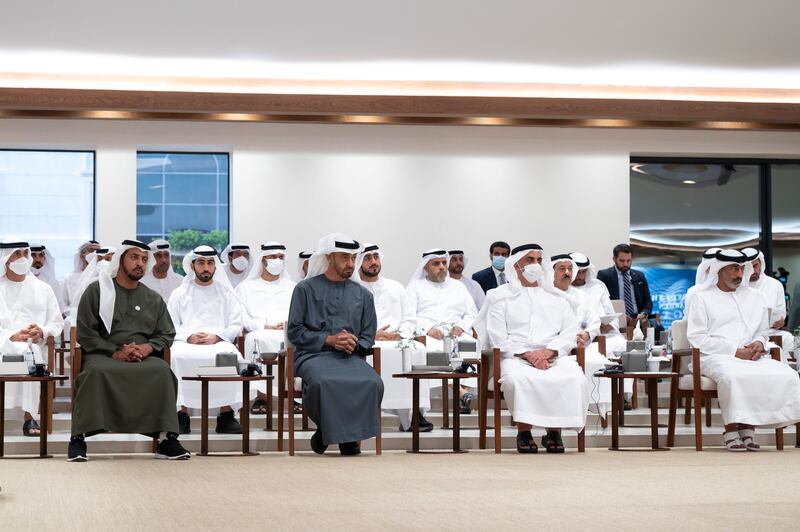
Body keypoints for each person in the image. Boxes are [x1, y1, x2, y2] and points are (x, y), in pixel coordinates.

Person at [70, 239, 189, 462]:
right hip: (102, 354)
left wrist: (147, 347)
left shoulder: (152, 298)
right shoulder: (96, 291)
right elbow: (85, 333)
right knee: (95, 372)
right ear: (121, 260)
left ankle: (167, 440)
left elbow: (167, 333)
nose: (140, 264)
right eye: (134, 258)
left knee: (162, 371)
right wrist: (114, 350)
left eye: (144, 259)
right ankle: (78, 440)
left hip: (142, 356)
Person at [686, 249, 800, 451]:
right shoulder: (701, 298)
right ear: (720, 271)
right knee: (734, 376)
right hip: (715, 355)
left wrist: (759, 343)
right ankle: (731, 430)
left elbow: (762, 330)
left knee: (787, 374)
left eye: (742, 269)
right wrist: (735, 351)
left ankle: (749, 429)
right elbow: (697, 338)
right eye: (734, 269)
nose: (740, 275)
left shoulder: (754, 297)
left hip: (752, 355)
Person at [287, 233, 383, 456]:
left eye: (352, 258)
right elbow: (295, 331)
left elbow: (368, 335)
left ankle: (330, 434)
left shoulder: (363, 294)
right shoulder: (304, 289)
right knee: (323, 382)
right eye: (344, 258)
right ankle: (340, 435)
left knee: (373, 382)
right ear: (329, 258)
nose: (350, 264)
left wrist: (355, 344)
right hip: (312, 355)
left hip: (350, 356)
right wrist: (328, 339)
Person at [485, 244, 587, 453]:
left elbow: (569, 332)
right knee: (516, 380)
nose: (535, 265)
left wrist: (548, 352)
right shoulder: (499, 297)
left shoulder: (558, 297)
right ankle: (524, 432)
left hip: (553, 355)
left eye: (538, 260)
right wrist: (530, 355)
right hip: (515, 356)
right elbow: (497, 337)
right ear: (516, 265)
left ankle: (554, 432)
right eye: (529, 260)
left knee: (573, 378)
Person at [167, 245, 245, 435]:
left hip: (218, 341)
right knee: (176, 356)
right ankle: (181, 413)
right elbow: (169, 325)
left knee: (231, 355)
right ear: (192, 265)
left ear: (215, 267)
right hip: (186, 342)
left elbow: (236, 324)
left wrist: (217, 337)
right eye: (201, 263)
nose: (206, 267)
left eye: (210, 263)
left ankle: (226, 415)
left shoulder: (226, 293)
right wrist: (188, 337)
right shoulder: (179, 293)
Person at [354, 243, 431, 432]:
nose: (373, 261)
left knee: (418, 349)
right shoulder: (352, 288)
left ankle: (414, 415)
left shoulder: (395, 287)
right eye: (368, 257)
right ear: (359, 262)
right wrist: (372, 335)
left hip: (397, 340)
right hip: (366, 341)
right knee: (381, 353)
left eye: (376, 257)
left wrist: (400, 334)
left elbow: (409, 318)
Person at [401, 249, 478, 413]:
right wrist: (427, 329)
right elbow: (409, 317)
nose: (442, 267)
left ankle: (464, 397)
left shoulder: (459, 287)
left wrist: (462, 326)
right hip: (429, 336)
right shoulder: (415, 287)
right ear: (425, 267)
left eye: (444, 263)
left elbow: (472, 313)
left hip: (457, 333)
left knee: (470, 345)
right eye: (436, 263)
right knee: (435, 351)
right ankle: (462, 394)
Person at [0, 240, 63, 437]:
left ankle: (30, 417)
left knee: (32, 353)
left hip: (34, 346)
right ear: (5, 259)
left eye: (24, 253)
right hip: (2, 345)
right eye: (16, 254)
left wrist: (41, 331)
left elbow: (57, 324)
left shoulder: (43, 289)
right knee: (24, 352)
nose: (22, 258)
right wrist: (10, 336)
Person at [235, 242, 296, 412]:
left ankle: (293, 394)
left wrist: (285, 325)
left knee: (296, 342)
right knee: (256, 338)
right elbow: (241, 317)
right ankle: (261, 397)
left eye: (280, 257)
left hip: (287, 332)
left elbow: (300, 314)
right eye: (272, 257)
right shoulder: (246, 287)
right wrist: (264, 325)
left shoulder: (293, 288)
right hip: (259, 332)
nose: (277, 260)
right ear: (263, 260)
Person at [742, 247, 794, 356]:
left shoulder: (775, 285)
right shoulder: (738, 286)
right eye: (749, 267)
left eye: (755, 266)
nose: (753, 271)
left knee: (788, 338)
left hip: (769, 331)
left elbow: (781, 317)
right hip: (744, 332)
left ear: (761, 264)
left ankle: (785, 370)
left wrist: (779, 322)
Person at [596, 243, 653, 330]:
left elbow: (648, 302)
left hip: (638, 321)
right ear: (614, 259)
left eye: (628, 260)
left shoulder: (639, 276)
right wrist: (621, 316)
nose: (625, 264)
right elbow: (599, 303)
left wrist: (644, 313)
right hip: (616, 321)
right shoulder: (604, 275)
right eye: (622, 261)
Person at [63, 240, 100, 317]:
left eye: (98, 251)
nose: (95, 254)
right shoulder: (69, 279)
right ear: (82, 255)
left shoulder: (101, 277)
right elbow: (63, 305)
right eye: (91, 251)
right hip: (74, 320)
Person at [30, 243, 66, 313]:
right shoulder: (19, 280)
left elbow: (59, 307)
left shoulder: (52, 282)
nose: (38, 259)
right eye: (33, 256)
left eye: (41, 256)